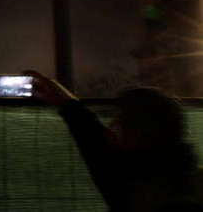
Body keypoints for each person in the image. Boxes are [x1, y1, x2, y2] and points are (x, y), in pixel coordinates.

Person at [29, 70, 203, 212]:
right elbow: (92, 138)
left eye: (123, 122)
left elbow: (94, 143)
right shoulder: (143, 173)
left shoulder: (135, 186)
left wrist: (66, 103)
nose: (114, 128)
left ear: (147, 131)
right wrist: (65, 101)